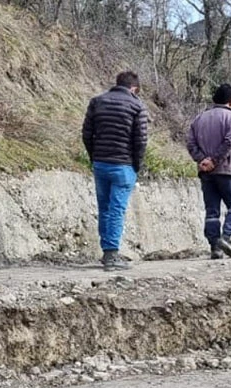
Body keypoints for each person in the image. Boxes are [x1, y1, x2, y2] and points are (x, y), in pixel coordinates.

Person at [82, 71, 149, 271]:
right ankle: (111, 255)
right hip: (123, 164)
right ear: (134, 88)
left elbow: (86, 133)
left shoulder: (97, 101)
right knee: (117, 209)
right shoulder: (137, 106)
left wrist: (94, 156)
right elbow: (141, 140)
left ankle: (107, 252)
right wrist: (136, 164)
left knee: (104, 208)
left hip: (100, 163)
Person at [187, 83, 231, 259]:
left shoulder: (199, 118)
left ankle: (215, 247)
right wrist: (214, 160)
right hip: (228, 170)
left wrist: (203, 160)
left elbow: (190, 143)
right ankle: (226, 237)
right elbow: (230, 142)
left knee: (212, 210)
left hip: (206, 172)